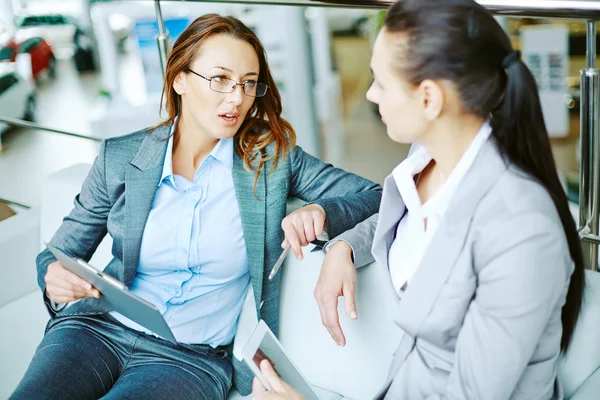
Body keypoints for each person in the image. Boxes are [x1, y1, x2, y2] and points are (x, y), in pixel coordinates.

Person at [11, 14, 381, 400]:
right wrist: (54, 276)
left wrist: (323, 214)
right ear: (179, 79)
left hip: (188, 359)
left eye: (248, 83)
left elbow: (377, 195)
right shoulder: (120, 157)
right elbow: (58, 253)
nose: (237, 98)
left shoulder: (272, 159)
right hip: (94, 330)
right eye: (220, 79)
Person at [252, 0, 585, 399]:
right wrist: (344, 245)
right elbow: (402, 221)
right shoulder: (426, 161)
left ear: (428, 98)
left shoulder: (522, 230)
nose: (371, 95)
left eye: (381, 81)